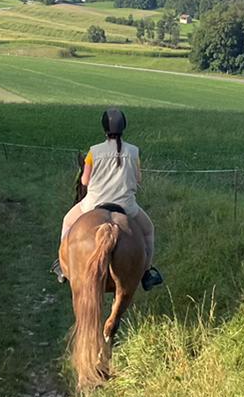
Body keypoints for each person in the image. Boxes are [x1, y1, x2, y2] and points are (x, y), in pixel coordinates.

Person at [54, 108, 163, 290]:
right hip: (126, 205)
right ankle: (146, 272)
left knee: (67, 222)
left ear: (104, 128)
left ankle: (62, 264)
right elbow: (138, 179)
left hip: (93, 204)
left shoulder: (93, 152)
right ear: (123, 127)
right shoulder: (134, 152)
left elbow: (85, 181)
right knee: (148, 231)